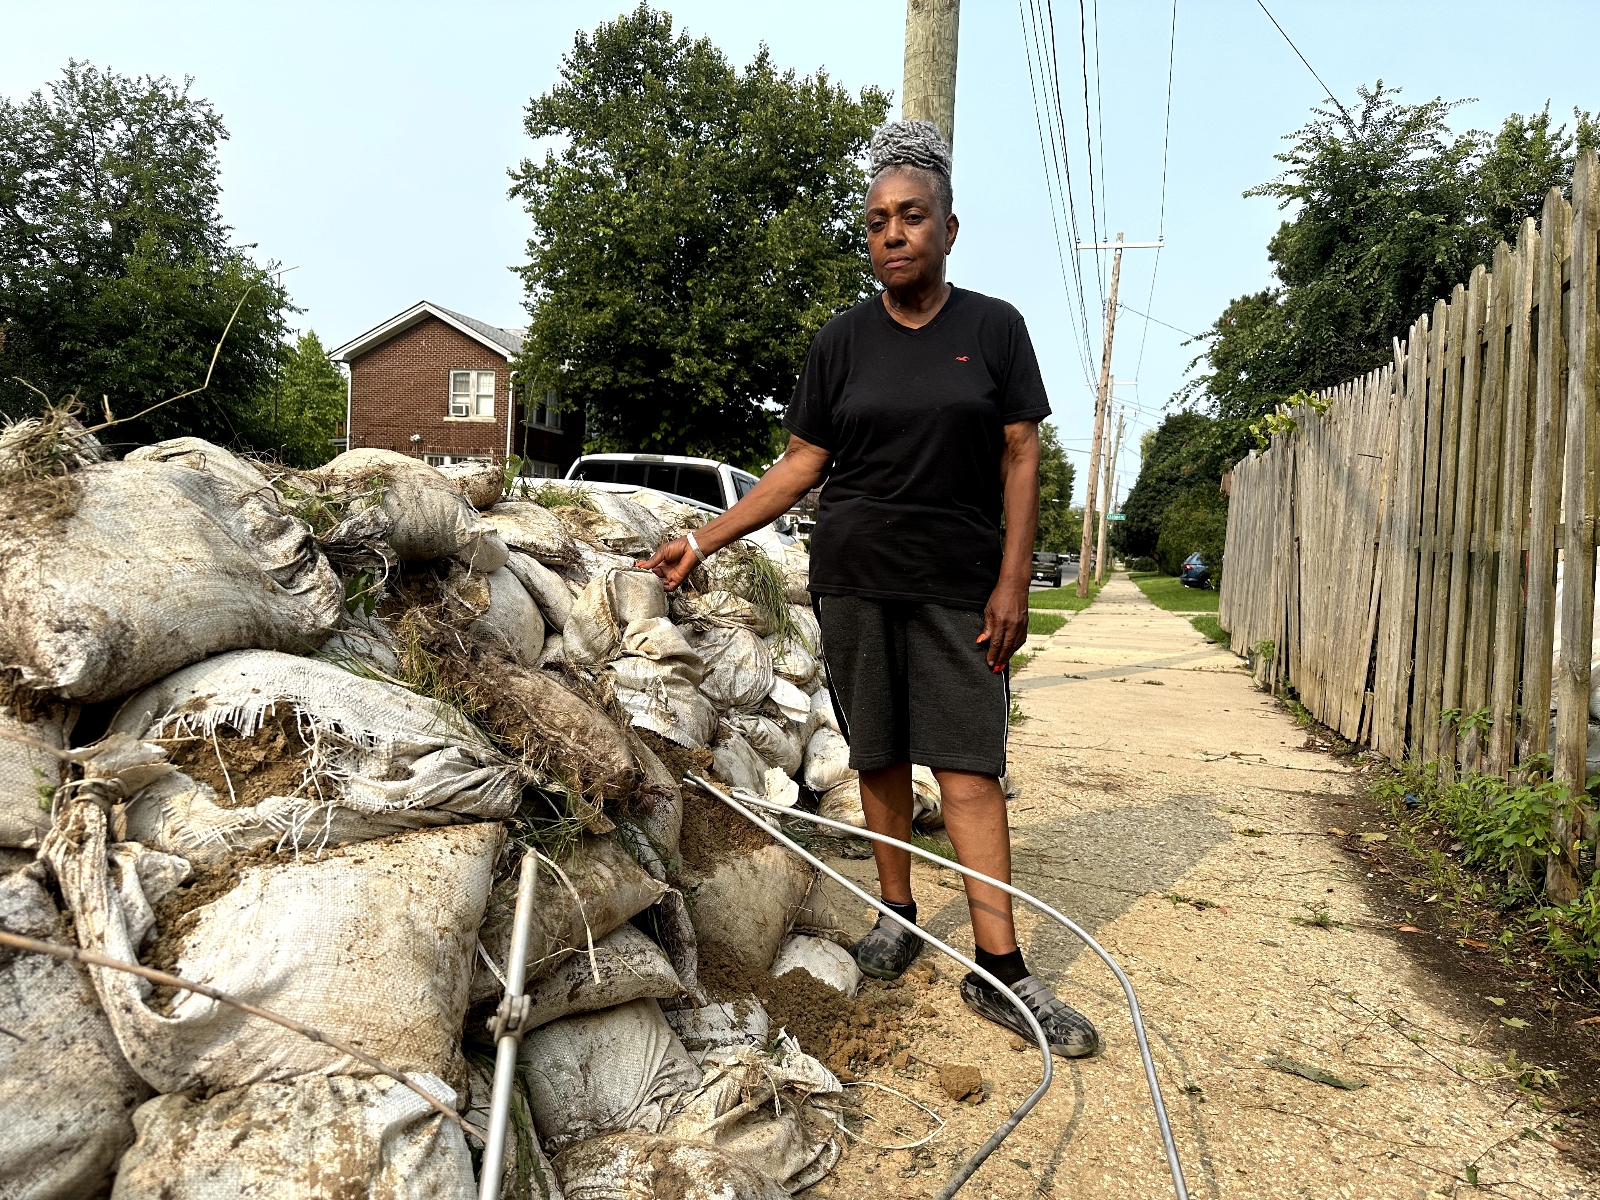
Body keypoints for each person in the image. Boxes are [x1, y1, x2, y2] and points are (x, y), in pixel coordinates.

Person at [639, 119, 1098, 1058]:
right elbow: (802, 462)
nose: (894, 234)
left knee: (970, 769)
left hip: (960, 588)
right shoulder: (841, 343)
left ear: (949, 229)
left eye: (913, 217)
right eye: (879, 220)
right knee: (879, 757)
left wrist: (1014, 581)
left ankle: (1000, 968)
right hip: (855, 581)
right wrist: (704, 536)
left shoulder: (994, 329)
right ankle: (896, 913)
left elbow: (1021, 456)